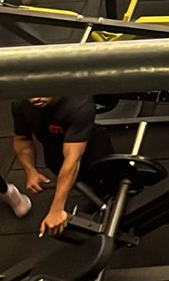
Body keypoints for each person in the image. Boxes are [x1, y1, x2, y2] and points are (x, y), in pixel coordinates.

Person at [12, 95, 113, 237]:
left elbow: (72, 159)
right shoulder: (20, 104)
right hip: (55, 156)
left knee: (106, 183)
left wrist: (56, 209)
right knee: (79, 181)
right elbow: (22, 140)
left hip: (92, 153)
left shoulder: (80, 104)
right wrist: (31, 171)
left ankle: (108, 197)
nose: (35, 98)